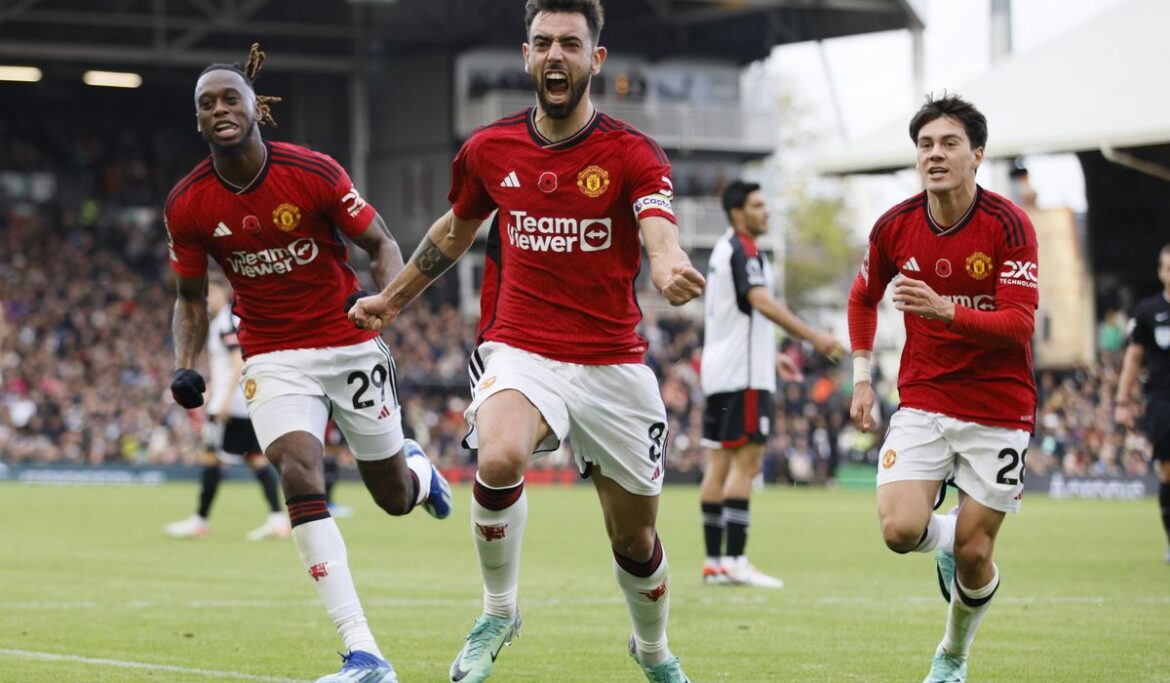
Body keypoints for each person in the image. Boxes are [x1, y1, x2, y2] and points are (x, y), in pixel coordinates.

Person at [350, 2, 704, 680]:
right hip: (523, 346)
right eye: (542, 42)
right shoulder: (489, 149)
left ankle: (653, 650)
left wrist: (666, 265)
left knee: (634, 536)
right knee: (502, 450)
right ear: (525, 55)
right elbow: (454, 232)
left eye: (571, 44)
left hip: (612, 362)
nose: (555, 56)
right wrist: (391, 301)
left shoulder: (633, 153)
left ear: (595, 59)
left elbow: (658, 228)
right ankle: (499, 609)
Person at [165, 43, 452, 683]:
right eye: (206, 104)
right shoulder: (188, 204)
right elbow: (189, 296)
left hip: (347, 339)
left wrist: (385, 303)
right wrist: (187, 364)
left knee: (392, 500)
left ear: (254, 110)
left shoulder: (314, 172)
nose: (219, 110)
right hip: (271, 354)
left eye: (229, 98)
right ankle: (365, 653)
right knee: (298, 473)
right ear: (199, 121)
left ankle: (416, 471)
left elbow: (380, 242)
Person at [847, 93, 1038, 683]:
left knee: (978, 557)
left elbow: (1019, 324)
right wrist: (860, 378)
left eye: (949, 143)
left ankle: (952, 656)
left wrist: (944, 309)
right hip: (925, 400)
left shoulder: (1009, 224)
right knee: (899, 531)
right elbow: (862, 297)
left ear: (977, 155)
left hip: (999, 410)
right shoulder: (895, 227)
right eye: (926, 145)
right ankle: (946, 533)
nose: (936, 154)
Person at [698, 180, 844, 588]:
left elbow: (738, 315)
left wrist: (771, 353)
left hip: (721, 370)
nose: (766, 212)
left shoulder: (723, 249)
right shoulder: (744, 249)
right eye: (758, 205)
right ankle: (737, 560)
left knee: (719, 466)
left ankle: (715, 563)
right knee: (746, 464)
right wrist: (812, 336)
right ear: (737, 212)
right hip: (743, 377)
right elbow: (760, 300)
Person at [164, 277, 289, 541]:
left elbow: (237, 362)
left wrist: (222, 400)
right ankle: (278, 519)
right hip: (240, 402)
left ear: (224, 292)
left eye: (212, 291)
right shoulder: (226, 321)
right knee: (254, 458)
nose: (208, 297)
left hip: (230, 405)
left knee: (211, 458)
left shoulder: (225, 322)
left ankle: (200, 521)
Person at [1114, 243, 1170, 563]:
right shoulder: (1148, 311)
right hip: (1163, 401)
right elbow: (1133, 359)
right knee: (1167, 473)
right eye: (1168, 268)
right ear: (1161, 272)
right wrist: (1122, 400)